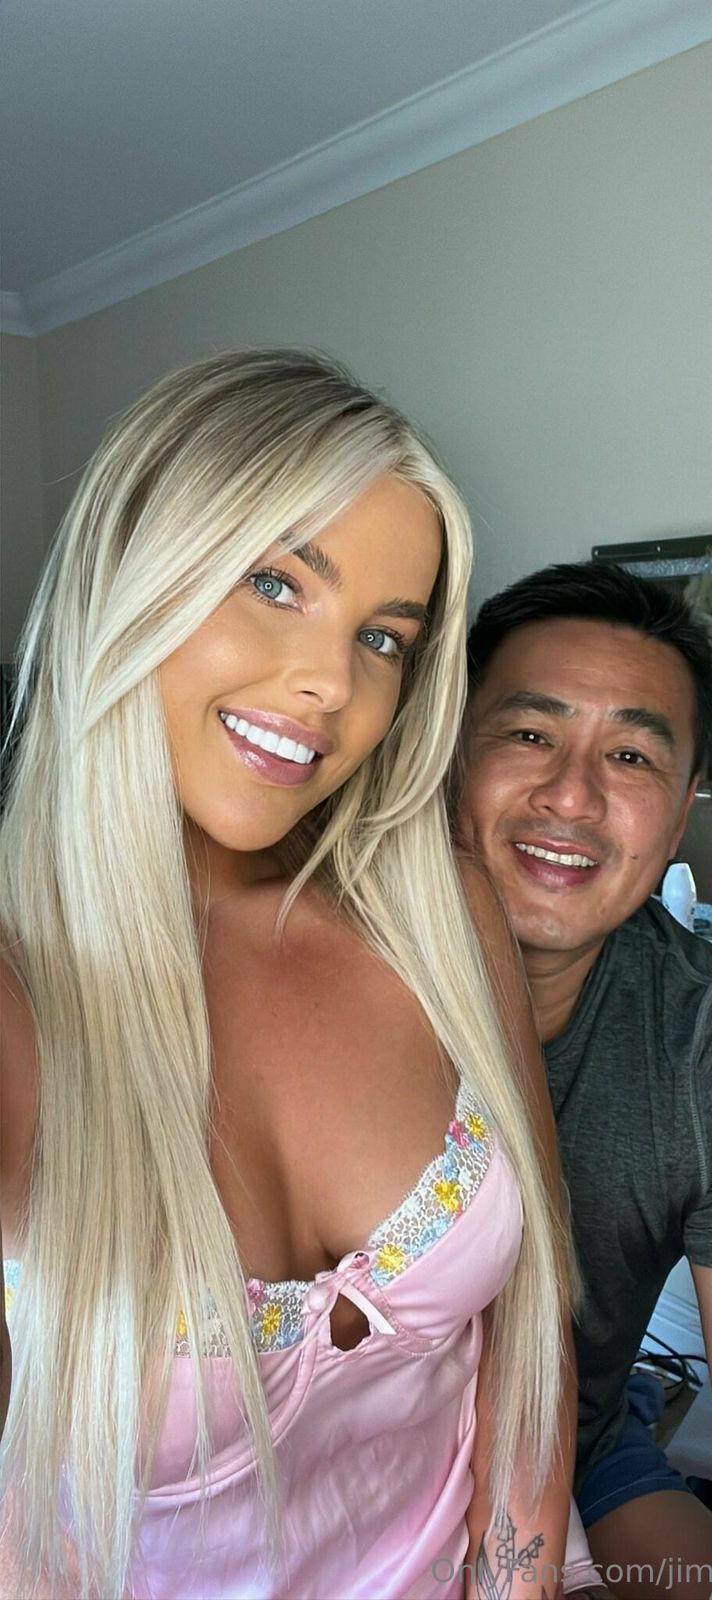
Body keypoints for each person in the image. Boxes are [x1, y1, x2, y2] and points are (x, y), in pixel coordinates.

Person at [0, 351, 596, 1600]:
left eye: (384, 638)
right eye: (276, 581)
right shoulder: (20, 1002)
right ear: (130, 570)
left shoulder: (442, 917)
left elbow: (526, 1347)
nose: (335, 684)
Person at [457, 560, 712, 1600]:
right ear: (443, 755)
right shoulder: (314, 976)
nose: (571, 795)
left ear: (684, 808)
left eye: (631, 755)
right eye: (530, 734)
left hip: (580, 1451)